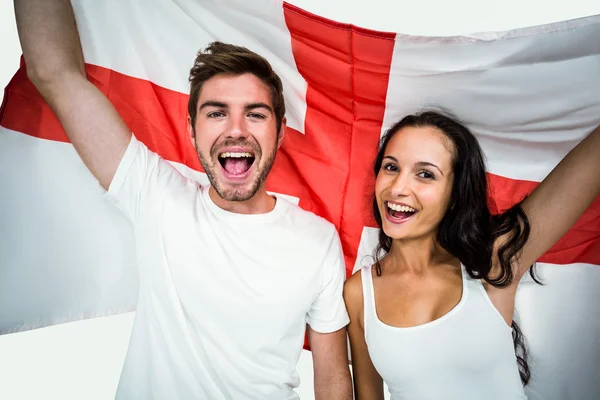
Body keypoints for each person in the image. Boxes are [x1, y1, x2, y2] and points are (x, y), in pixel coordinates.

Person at [13, 0, 353, 399]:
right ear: (192, 131)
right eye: (217, 113)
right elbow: (54, 73)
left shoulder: (318, 240)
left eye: (256, 114)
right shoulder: (156, 195)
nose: (236, 130)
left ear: (279, 134)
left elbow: (331, 380)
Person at [343, 110, 600, 399]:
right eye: (391, 167)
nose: (398, 188)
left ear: (455, 194)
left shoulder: (492, 260)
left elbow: (588, 167)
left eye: (425, 174)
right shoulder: (358, 293)